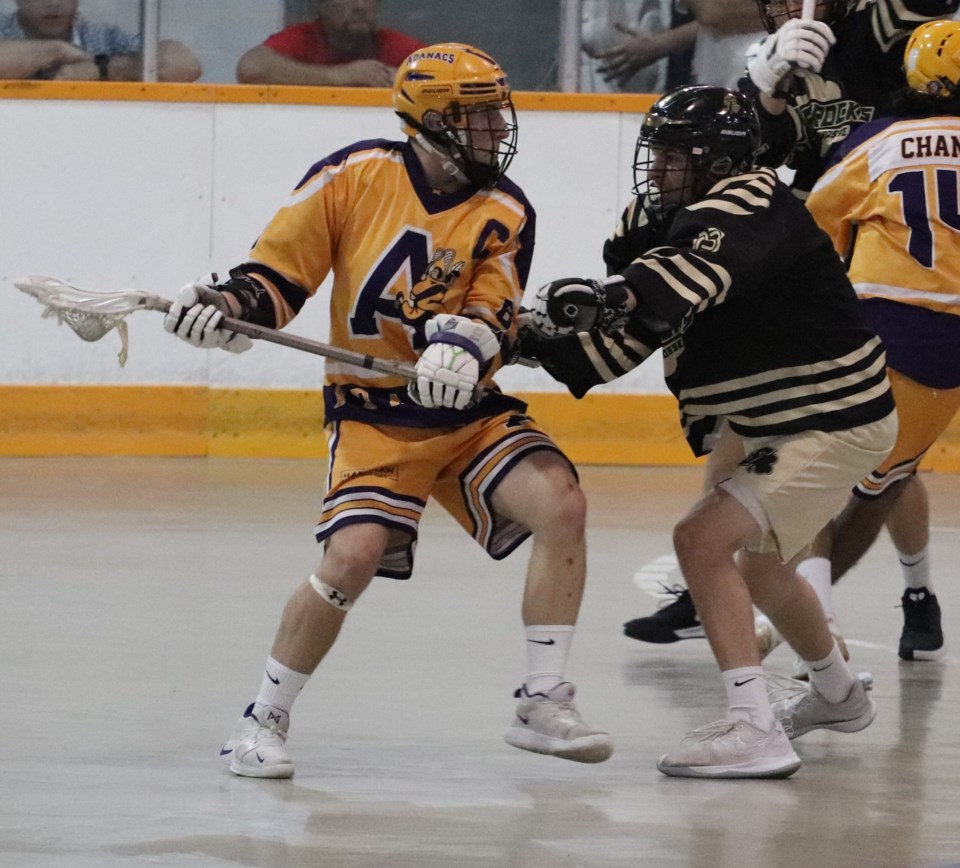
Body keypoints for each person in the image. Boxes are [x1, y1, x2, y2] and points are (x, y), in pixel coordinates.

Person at [164, 42, 613, 779]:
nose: (497, 130)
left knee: (562, 504)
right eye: (476, 117)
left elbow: (495, 310)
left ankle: (542, 700)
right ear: (431, 120)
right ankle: (262, 718)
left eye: (497, 113)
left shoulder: (504, 206)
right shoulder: (354, 176)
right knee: (352, 558)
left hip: (464, 410)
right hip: (374, 412)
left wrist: (465, 346)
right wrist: (226, 309)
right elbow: (275, 277)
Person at [523, 84, 896, 778]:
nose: (658, 167)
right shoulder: (658, 217)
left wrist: (605, 298)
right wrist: (521, 341)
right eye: (656, 152)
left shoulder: (750, 203)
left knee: (699, 540)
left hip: (827, 418)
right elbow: (628, 335)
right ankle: (839, 695)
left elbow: (676, 281)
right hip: (788, 420)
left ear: (719, 158)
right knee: (761, 566)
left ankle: (754, 728)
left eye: (674, 155)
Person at [622, 0, 958, 650]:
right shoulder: (784, 47)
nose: (785, 5)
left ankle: (858, 601)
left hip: (865, 238)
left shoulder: (878, 27)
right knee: (781, 428)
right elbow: (756, 146)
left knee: (862, 446)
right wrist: (766, 86)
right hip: (820, 235)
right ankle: (742, 584)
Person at [791, 18, 960, 664]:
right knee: (888, 476)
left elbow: (812, 229)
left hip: (878, 333)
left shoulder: (880, 141)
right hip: (945, 354)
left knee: (816, 485)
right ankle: (913, 599)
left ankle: (813, 639)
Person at [741, 0, 959, 200]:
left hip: (893, 196)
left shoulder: (869, 27)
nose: (791, 7)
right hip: (821, 201)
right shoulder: (764, 59)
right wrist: (775, 85)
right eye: (779, 2)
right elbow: (765, 153)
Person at [235, 0, 424, 87]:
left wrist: (403, 79)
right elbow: (251, 67)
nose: (360, 6)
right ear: (321, 5)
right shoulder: (306, 37)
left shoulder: (390, 42)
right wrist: (340, 76)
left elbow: (451, 74)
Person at [0, 0, 201, 82]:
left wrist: (99, 68)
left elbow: (186, 64)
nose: (54, 3)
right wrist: (57, 50)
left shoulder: (103, 36)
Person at [590, 0, 765, 92]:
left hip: (763, 88)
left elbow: (714, 11)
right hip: (715, 88)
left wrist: (662, 43)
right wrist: (662, 43)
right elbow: (722, 19)